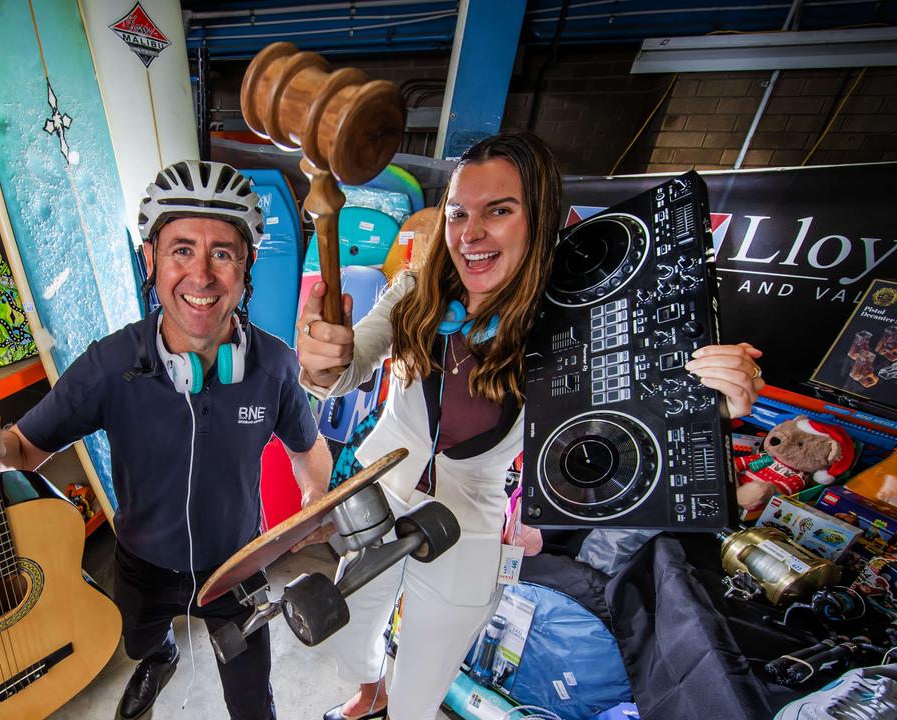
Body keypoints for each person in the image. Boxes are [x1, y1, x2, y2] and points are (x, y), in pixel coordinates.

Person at [296, 130, 765, 720]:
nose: (470, 234)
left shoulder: (574, 326)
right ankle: (368, 692)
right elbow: (350, 365)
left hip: (471, 520)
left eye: (499, 211)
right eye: (459, 213)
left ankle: (399, 702)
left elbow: (637, 417)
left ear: (538, 220)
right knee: (351, 621)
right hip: (380, 488)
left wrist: (712, 402)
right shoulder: (416, 290)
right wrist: (321, 361)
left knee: (427, 668)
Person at [0, 160, 331, 720]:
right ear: (152, 260)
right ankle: (160, 659)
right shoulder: (109, 365)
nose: (201, 275)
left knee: (253, 699)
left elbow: (310, 450)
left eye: (222, 253)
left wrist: (313, 504)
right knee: (142, 650)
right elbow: (25, 448)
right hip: (142, 566)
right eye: (182, 249)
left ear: (247, 265)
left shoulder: (274, 364)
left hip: (239, 565)